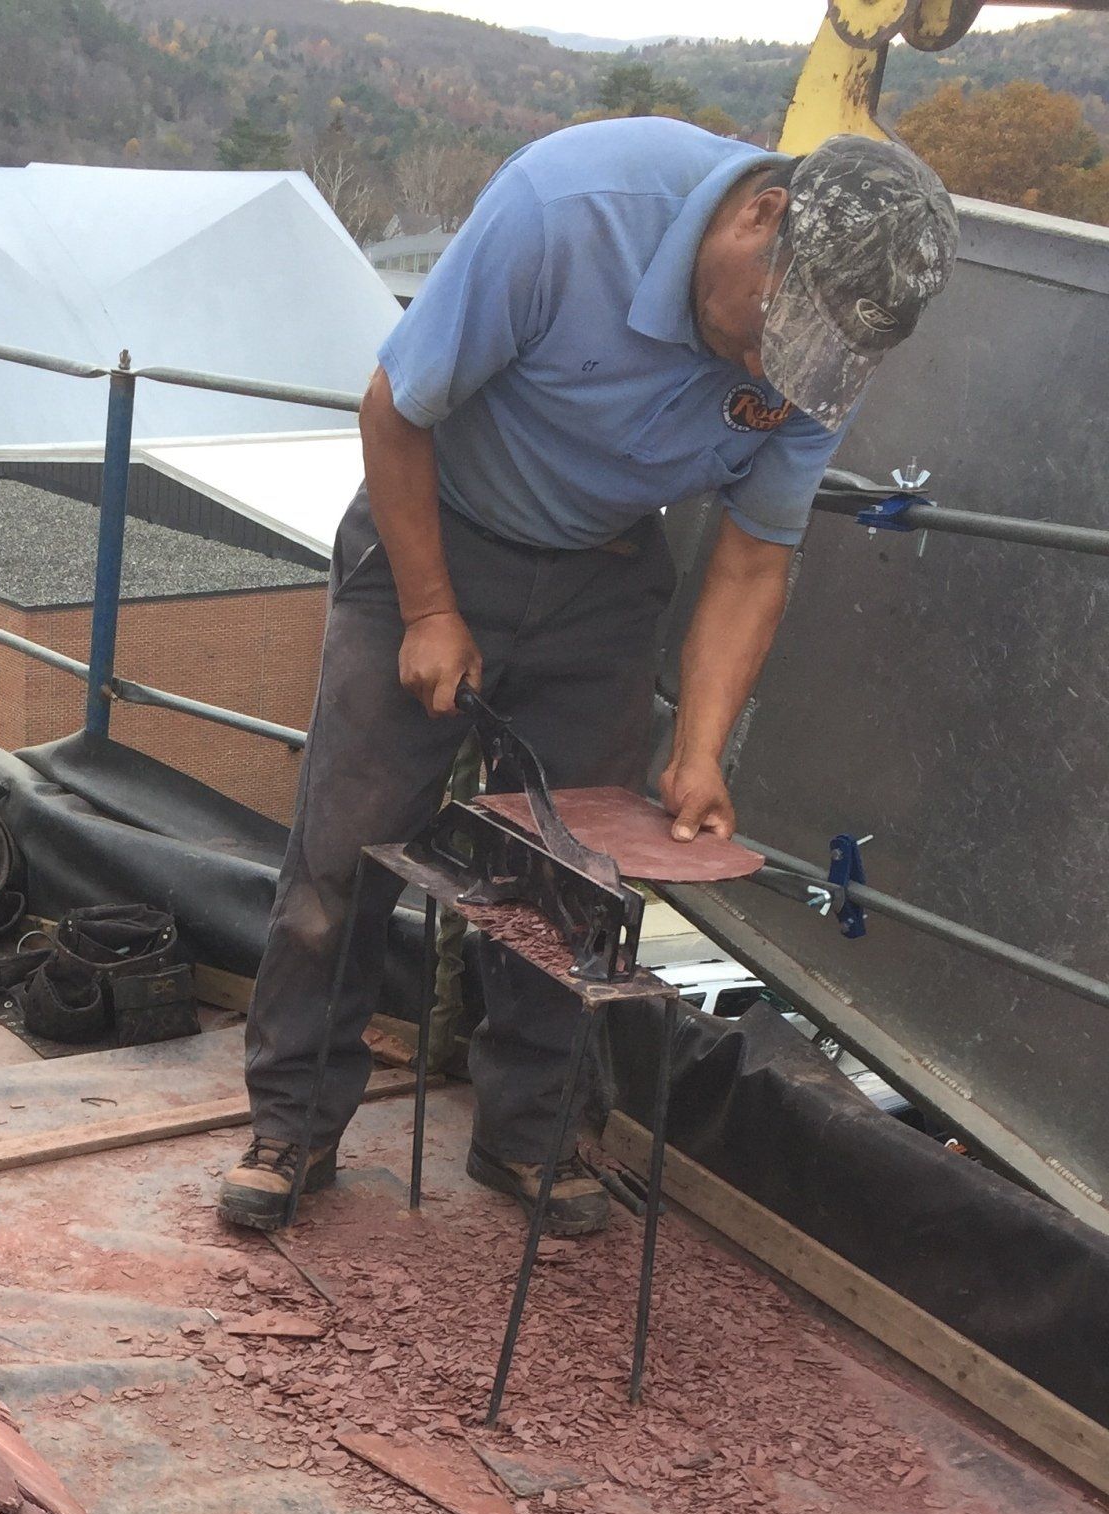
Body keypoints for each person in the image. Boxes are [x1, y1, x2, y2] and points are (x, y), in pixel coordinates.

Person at [219, 121, 957, 1234]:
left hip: (604, 572)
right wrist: (429, 611)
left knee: (573, 876)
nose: (775, 373)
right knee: (345, 848)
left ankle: (532, 1132)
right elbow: (395, 408)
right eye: (775, 334)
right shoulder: (568, 209)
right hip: (435, 526)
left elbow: (754, 557)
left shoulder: (826, 348)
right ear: (761, 217)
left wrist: (698, 750)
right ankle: (293, 1124)